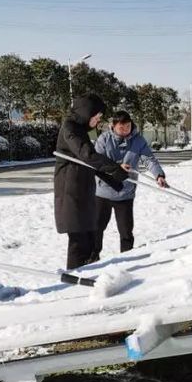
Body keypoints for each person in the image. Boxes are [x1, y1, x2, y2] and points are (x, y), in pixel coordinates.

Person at [53, 95, 129, 269]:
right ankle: (76, 276)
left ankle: (89, 271)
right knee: (79, 241)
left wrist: (115, 178)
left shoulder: (80, 130)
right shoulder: (70, 128)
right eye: (97, 116)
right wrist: (114, 169)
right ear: (86, 112)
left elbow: (89, 163)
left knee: (89, 239)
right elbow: (87, 155)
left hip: (82, 191)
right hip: (70, 192)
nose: (98, 120)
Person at [92, 110, 167, 259]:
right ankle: (93, 257)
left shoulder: (138, 140)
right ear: (113, 126)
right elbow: (96, 161)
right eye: (121, 127)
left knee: (126, 231)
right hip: (103, 192)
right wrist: (116, 167)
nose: (125, 130)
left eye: (128, 126)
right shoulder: (104, 139)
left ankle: (127, 259)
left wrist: (159, 175)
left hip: (125, 192)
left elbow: (149, 159)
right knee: (97, 228)